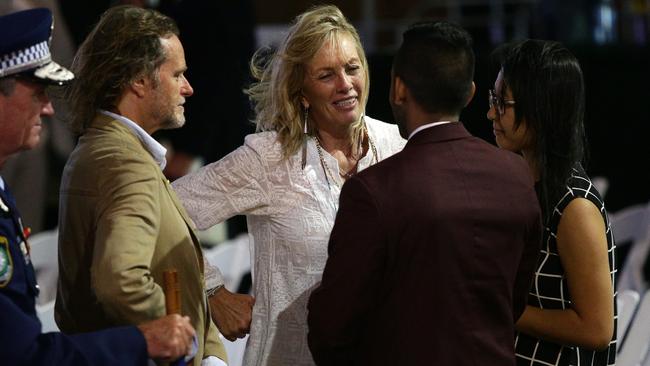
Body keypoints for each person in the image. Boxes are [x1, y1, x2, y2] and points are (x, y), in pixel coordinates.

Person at [172, 5, 405, 365]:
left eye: (352, 68)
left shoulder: (397, 147)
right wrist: (213, 292)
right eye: (326, 75)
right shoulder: (270, 159)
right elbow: (165, 207)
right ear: (302, 93)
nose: (345, 84)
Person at [307, 21, 543, 366]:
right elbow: (515, 300)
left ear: (398, 89)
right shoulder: (516, 175)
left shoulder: (373, 191)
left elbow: (332, 327)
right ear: (470, 93)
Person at [0, 7, 195, 365]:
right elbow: (20, 355)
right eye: (36, 93)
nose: (47, 109)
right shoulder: (120, 161)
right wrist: (165, 340)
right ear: (138, 79)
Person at [55, 6, 226, 365]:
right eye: (177, 74)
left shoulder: (110, 149)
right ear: (139, 79)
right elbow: (120, 281)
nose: (188, 88)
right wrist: (183, 340)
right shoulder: (123, 164)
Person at [487, 39, 616, 365]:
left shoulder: (575, 208)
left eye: (503, 103)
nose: (491, 113)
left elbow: (597, 330)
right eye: (493, 99)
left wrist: (503, 309)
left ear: (542, 108)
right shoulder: (523, 183)